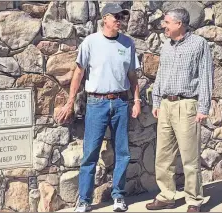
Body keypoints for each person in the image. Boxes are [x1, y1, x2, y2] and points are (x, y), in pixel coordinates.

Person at [56, 3, 141, 212]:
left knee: (123, 152)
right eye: (116, 17)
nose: (120, 20)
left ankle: (118, 197)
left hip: (121, 102)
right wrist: (70, 101)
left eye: (122, 17)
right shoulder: (90, 43)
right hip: (96, 103)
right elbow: (78, 73)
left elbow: (132, 76)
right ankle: (84, 200)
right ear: (105, 18)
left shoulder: (128, 44)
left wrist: (137, 100)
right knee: (90, 153)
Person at [146, 8, 213, 212]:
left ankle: (194, 200)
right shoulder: (166, 45)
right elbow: (160, 75)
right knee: (163, 155)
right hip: (166, 105)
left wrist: (203, 107)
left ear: (179, 24)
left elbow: (206, 77)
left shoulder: (199, 45)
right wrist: (157, 102)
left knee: (189, 158)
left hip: (187, 105)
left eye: (167, 22)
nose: (163, 26)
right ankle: (167, 195)